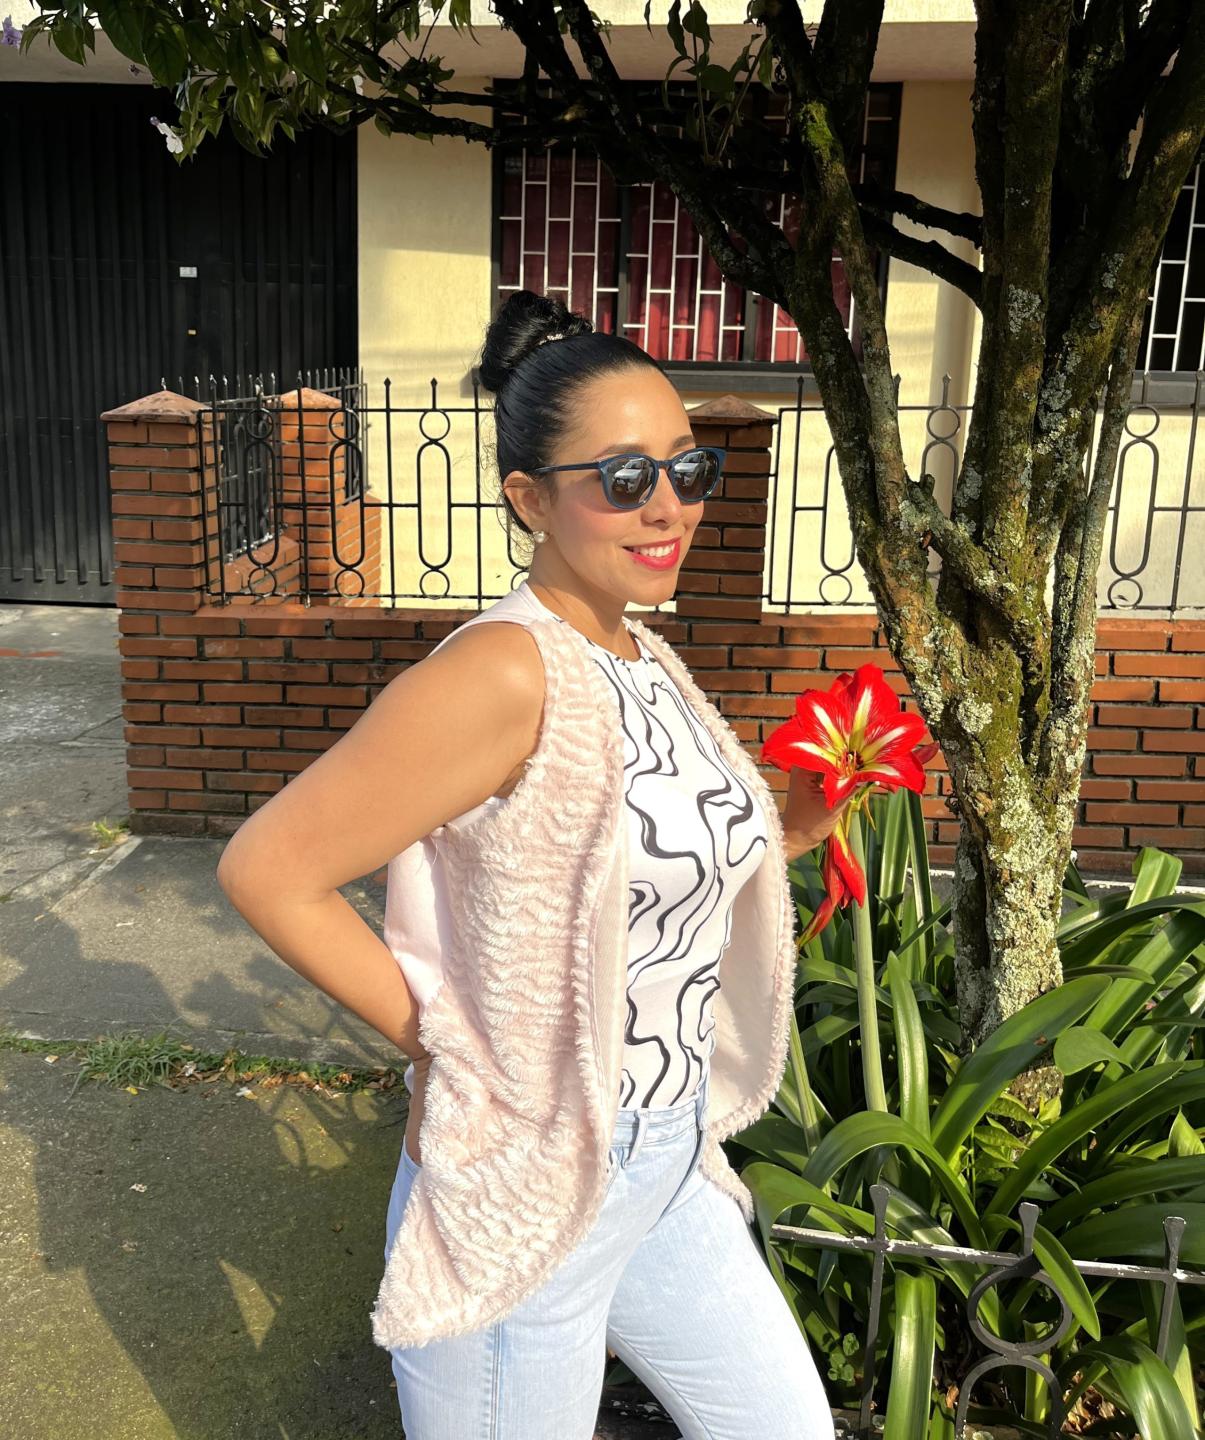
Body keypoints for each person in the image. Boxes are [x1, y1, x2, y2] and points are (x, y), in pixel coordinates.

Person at [218, 289, 840, 1439]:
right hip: (529, 1182)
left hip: (659, 1163)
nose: (667, 505)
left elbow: (631, 888)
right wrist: (448, 1047)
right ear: (528, 499)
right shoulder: (503, 673)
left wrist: (787, 829)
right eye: (623, 477)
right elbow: (269, 870)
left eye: (686, 469)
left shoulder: (638, 655)